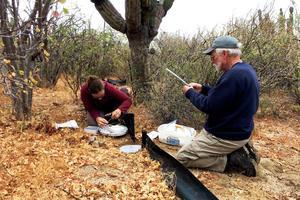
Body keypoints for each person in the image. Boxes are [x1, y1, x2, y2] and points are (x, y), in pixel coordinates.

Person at [176, 36, 260, 177]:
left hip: (224, 136)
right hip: (239, 132)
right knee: (192, 146)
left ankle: (231, 161)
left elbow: (209, 106)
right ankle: (236, 151)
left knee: (181, 158)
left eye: (213, 56)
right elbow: (224, 97)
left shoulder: (234, 76)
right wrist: (203, 89)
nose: (212, 60)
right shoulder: (244, 70)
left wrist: (189, 93)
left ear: (225, 54)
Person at [80, 76, 136, 142]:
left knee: (122, 117)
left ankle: (115, 120)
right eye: (96, 97)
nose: (100, 99)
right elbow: (90, 108)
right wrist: (97, 117)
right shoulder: (84, 91)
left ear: (104, 88)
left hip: (112, 107)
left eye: (101, 96)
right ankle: (106, 118)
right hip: (98, 109)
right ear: (90, 93)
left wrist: (119, 110)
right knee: (92, 123)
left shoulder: (109, 88)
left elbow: (128, 100)